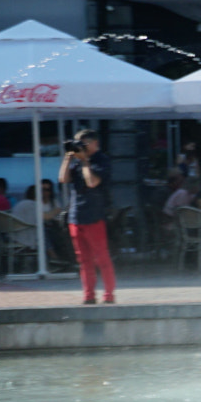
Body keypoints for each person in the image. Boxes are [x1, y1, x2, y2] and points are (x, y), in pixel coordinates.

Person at [60, 130, 116, 304]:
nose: (80, 147)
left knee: (101, 257)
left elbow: (92, 182)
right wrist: (68, 157)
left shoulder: (101, 160)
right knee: (83, 260)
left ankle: (108, 295)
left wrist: (85, 161)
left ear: (95, 143)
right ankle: (89, 295)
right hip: (76, 217)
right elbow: (62, 179)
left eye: (83, 143)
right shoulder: (77, 161)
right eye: (78, 143)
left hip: (94, 216)